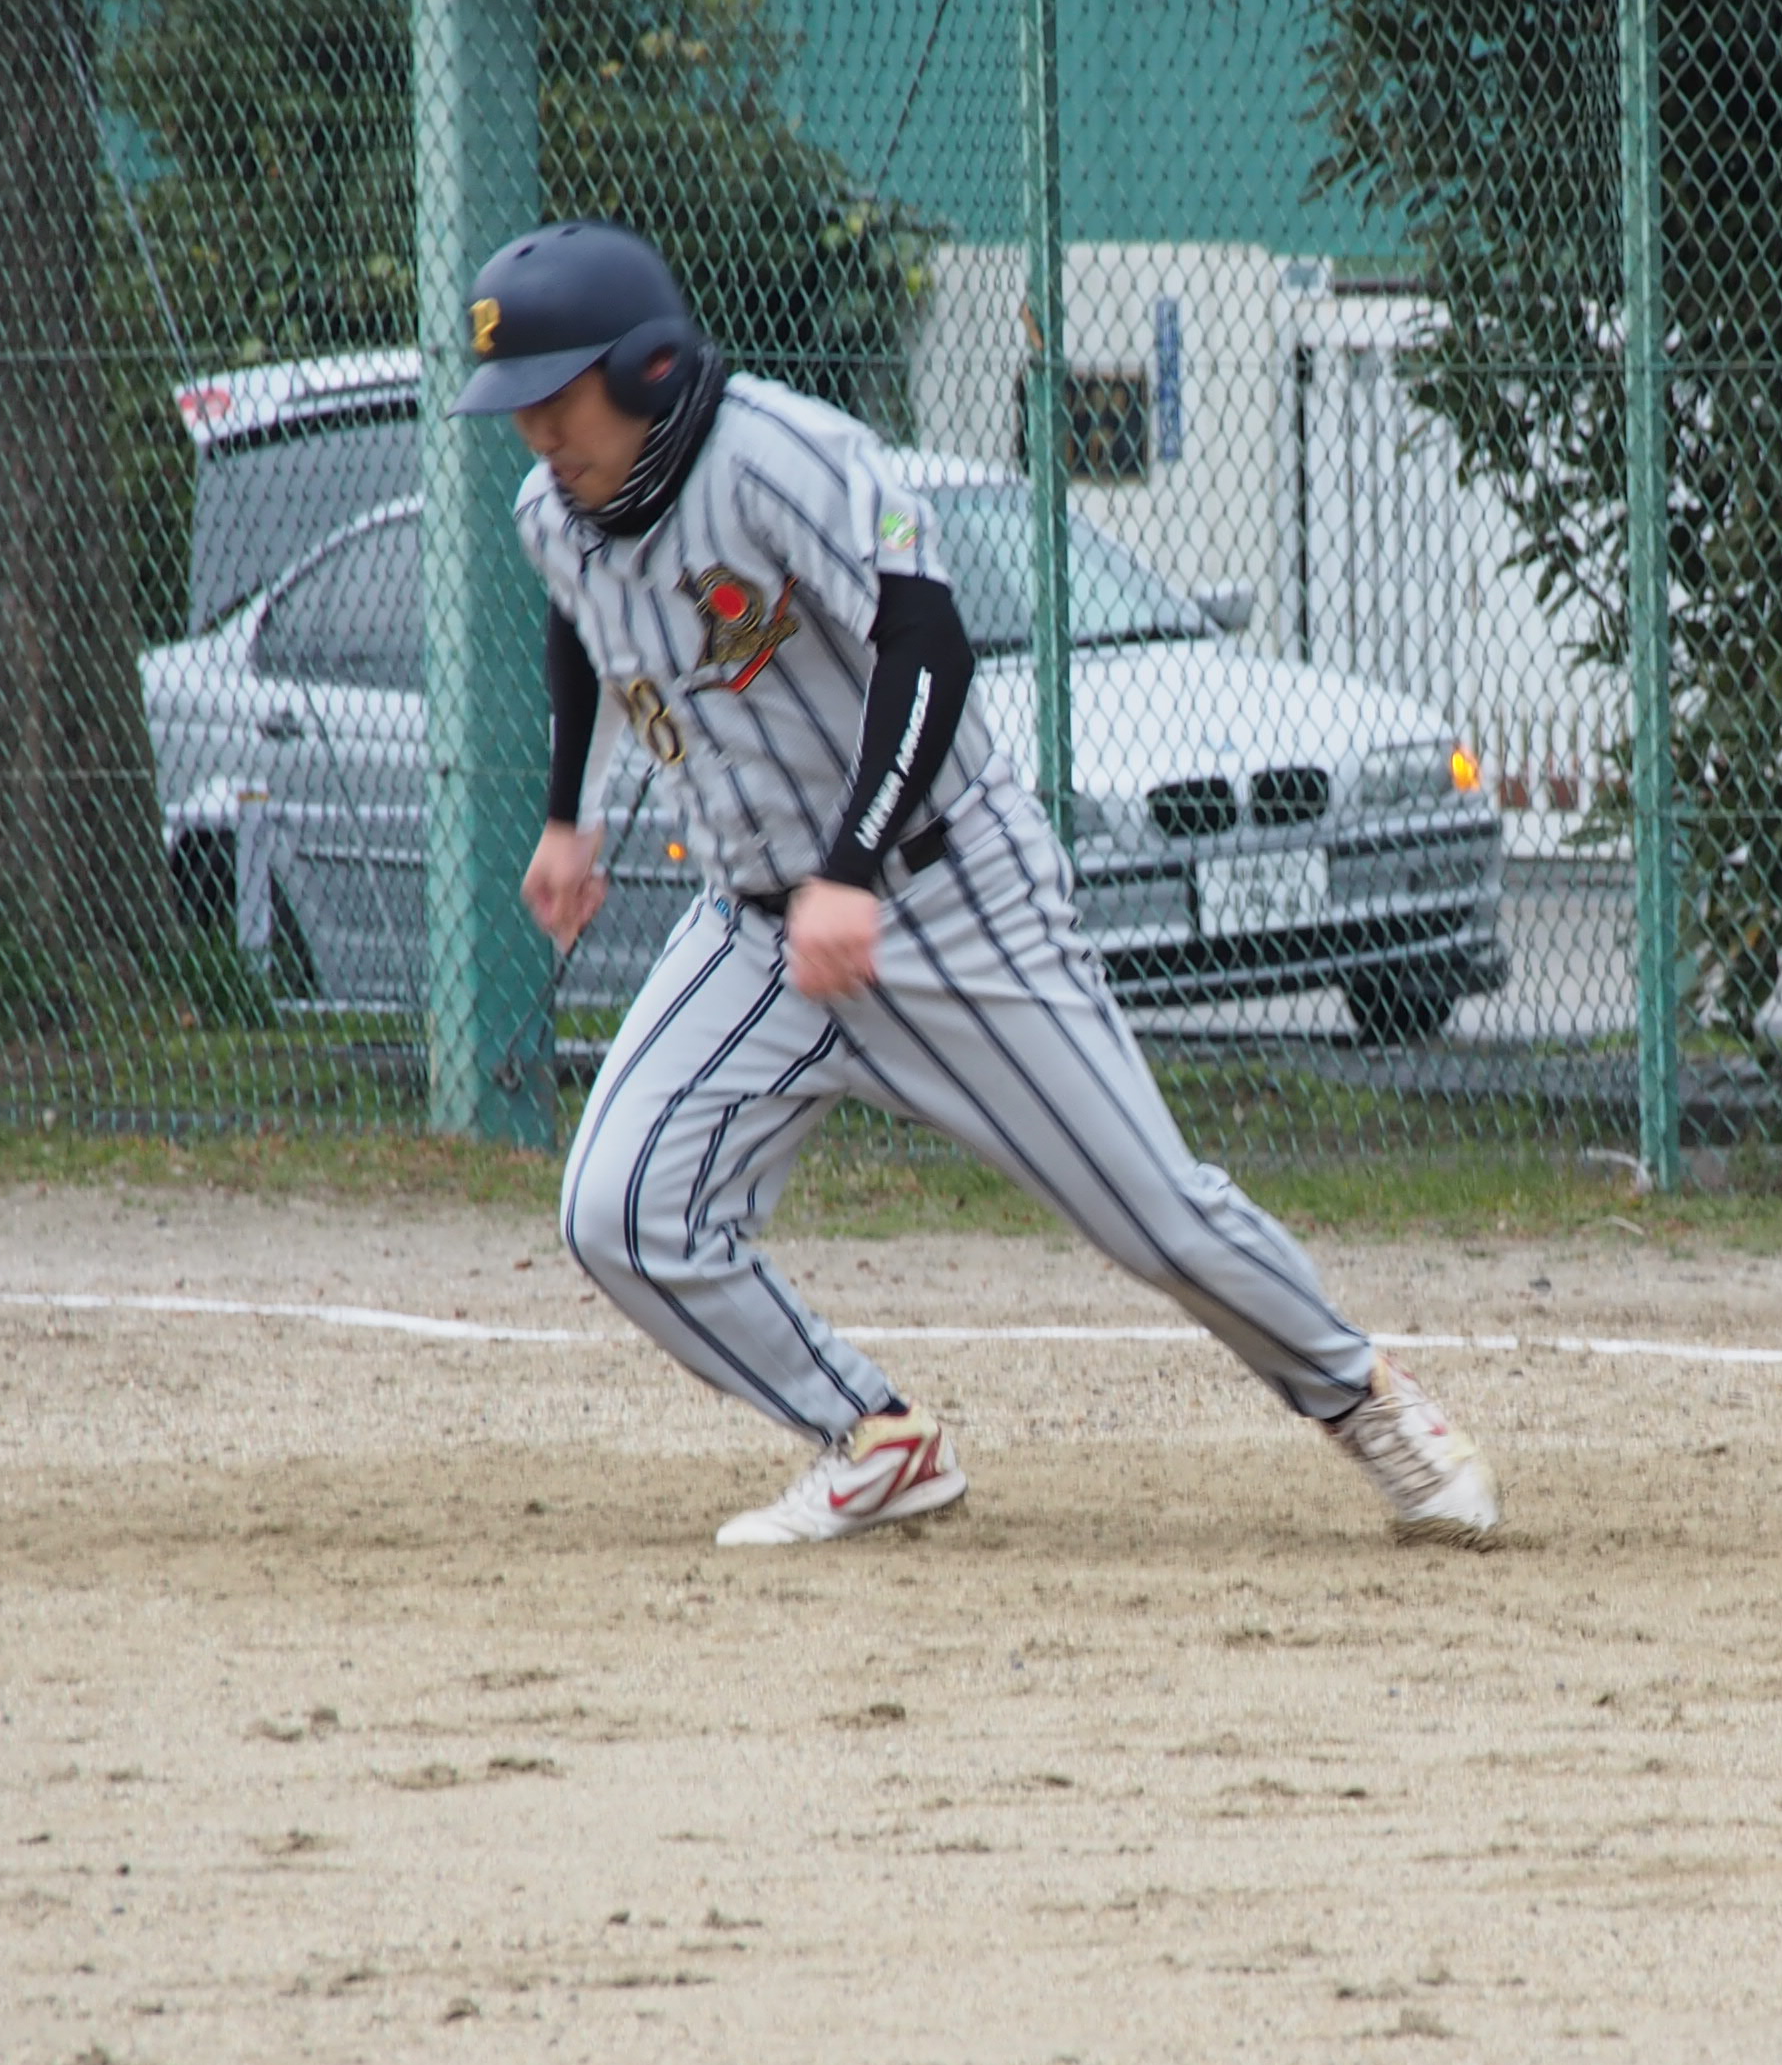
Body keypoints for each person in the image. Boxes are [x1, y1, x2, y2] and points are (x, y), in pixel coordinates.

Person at [456, 218, 1502, 1552]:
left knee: (1151, 1213)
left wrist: (849, 871)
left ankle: (1365, 1401)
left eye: (556, 397)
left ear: (650, 372)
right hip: (752, 929)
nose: (536, 432)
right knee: (619, 1208)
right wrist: (570, 817)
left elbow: (928, 645)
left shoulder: (782, 457)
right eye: (518, 408)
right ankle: (874, 1442)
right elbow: (582, 616)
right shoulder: (558, 508)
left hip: (944, 901)